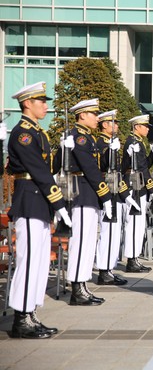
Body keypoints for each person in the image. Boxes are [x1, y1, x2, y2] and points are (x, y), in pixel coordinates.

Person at [7, 81, 70, 338]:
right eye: (41, 101)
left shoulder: (38, 133)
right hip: (30, 202)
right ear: (27, 103)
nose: (46, 105)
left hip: (39, 203)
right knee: (29, 260)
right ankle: (21, 318)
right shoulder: (23, 133)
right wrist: (59, 203)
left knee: (40, 262)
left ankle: (31, 313)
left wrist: (63, 152)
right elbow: (39, 172)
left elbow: (47, 166)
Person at [66, 98, 112, 306]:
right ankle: (77, 288)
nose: (97, 118)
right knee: (81, 243)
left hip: (88, 195)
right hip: (82, 195)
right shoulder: (79, 138)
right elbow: (91, 170)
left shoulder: (87, 138)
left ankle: (82, 285)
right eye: (94, 114)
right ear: (82, 115)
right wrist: (106, 194)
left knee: (88, 243)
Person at [95, 110, 140, 286]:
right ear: (105, 125)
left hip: (116, 194)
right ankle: (104, 271)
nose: (117, 126)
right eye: (113, 123)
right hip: (106, 193)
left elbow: (118, 173)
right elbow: (103, 168)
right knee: (108, 233)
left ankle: (109, 269)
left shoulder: (110, 142)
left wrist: (126, 195)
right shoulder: (100, 143)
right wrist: (109, 153)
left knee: (114, 234)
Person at [122, 114, 153, 272]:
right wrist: (152, 189)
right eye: (144, 126)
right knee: (133, 225)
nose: (147, 129)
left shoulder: (139, 142)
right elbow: (142, 169)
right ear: (136, 127)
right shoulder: (132, 142)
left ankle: (135, 257)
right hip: (134, 187)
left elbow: (145, 164)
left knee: (139, 225)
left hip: (140, 186)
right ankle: (131, 260)